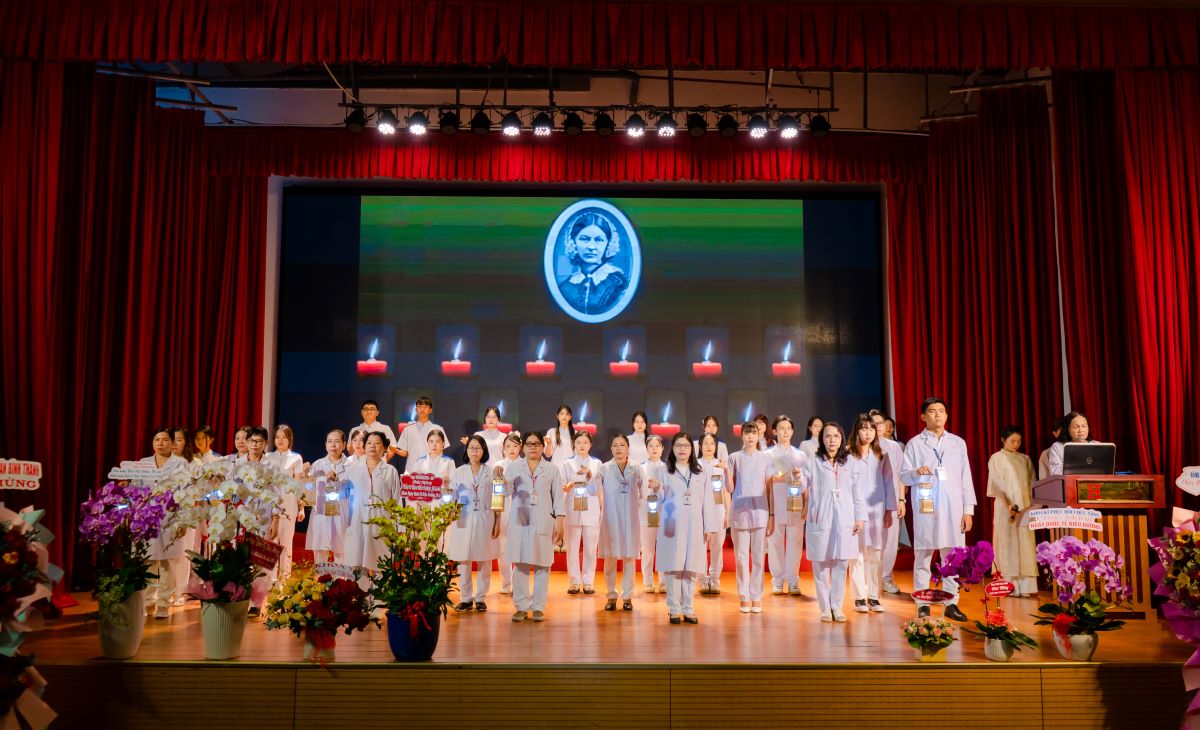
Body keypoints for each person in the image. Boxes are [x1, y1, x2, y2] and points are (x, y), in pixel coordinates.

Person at [900, 397, 975, 622]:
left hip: (953, 508)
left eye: (941, 411)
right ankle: (922, 601)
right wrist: (915, 473)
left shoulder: (957, 443)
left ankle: (952, 602)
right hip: (927, 507)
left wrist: (968, 509)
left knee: (952, 557)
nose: (937, 415)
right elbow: (903, 475)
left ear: (947, 415)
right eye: (932, 412)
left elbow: (965, 477)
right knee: (923, 555)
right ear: (923, 416)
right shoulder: (915, 443)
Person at [801, 421, 866, 623]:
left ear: (842, 438)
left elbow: (858, 492)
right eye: (828, 436)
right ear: (822, 439)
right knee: (821, 564)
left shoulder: (850, 462)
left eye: (836, 436)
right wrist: (795, 477)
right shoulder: (812, 460)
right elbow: (801, 484)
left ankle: (837, 606)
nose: (832, 440)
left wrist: (860, 517)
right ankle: (824, 607)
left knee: (841, 563)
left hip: (845, 518)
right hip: (820, 516)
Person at [646, 433, 709, 624]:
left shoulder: (700, 472)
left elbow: (707, 502)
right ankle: (674, 608)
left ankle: (689, 608)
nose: (682, 449)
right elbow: (654, 502)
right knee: (674, 567)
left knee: (691, 568)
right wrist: (656, 490)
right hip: (671, 524)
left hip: (695, 525)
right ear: (672, 449)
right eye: (678, 445)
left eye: (686, 446)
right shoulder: (663, 471)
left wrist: (710, 527)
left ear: (692, 449)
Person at [503, 432, 565, 622]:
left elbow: (558, 498)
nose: (533, 447)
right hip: (519, 522)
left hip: (543, 521)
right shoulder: (514, 468)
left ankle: (538, 606)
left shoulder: (552, 469)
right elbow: (505, 492)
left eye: (537, 444)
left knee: (542, 565)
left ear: (542, 447)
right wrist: (501, 479)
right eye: (529, 443)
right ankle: (521, 606)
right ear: (523, 446)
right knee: (520, 564)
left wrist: (560, 522)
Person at [847, 414, 897, 613]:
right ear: (856, 431)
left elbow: (889, 484)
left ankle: (874, 596)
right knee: (857, 555)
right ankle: (859, 597)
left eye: (871, 429)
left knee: (875, 554)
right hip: (854, 512)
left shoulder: (882, 455)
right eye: (863, 428)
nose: (867, 433)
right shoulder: (847, 454)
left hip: (877, 511)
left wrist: (889, 510)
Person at [140, 427, 192, 618]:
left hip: (171, 517)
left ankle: (163, 603)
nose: (160, 443)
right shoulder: (143, 464)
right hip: (147, 518)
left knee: (168, 561)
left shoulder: (181, 464)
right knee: (148, 560)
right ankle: (147, 602)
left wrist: (183, 520)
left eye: (165, 440)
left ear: (172, 443)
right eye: (157, 440)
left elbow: (186, 492)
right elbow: (136, 491)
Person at [448, 435, 501, 612]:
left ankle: (480, 598)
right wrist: (445, 490)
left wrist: (497, 521)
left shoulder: (492, 471)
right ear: (467, 450)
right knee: (464, 560)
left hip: (485, 518)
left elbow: (498, 497)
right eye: (471, 447)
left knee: (484, 560)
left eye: (478, 448)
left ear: (484, 450)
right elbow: (451, 499)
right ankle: (465, 598)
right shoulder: (458, 472)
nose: (474, 451)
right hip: (463, 519)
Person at [727, 421, 773, 614]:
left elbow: (769, 487)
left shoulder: (765, 458)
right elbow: (729, 488)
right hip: (739, 511)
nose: (751, 436)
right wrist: (724, 471)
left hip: (761, 512)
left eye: (754, 433)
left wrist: (771, 514)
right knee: (740, 556)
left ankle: (756, 596)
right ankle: (744, 595)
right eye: (747, 433)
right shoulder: (734, 458)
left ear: (759, 435)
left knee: (758, 558)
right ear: (742, 436)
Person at [988, 426, 1038, 596]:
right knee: (1007, 543)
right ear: (1003, 440)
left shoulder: (1025, 459)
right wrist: (1008, 503)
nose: (1016, 444)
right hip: (1005, 507)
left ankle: (1026, 587)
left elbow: (1032, 483)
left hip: (1024, 506)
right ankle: (1008, 585)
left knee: (1025, 544)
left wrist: (1031, 506)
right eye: (1012, 441)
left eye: (1018, 441)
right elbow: (996, 484)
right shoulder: (996, 458)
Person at [597, 433, 643, 611]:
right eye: (615, 445)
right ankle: (611, 595)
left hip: (631, 519)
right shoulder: (604, 468)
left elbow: (645, 495)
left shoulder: (637, 468)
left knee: (629, 558)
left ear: (628, 448)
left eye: (622, 445)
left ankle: (627, 596)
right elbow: (593, 490)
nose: (618, 448)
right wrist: (589, 478)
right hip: (610, 518)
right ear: (611, 449)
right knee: (610, 558)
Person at [344, 432, 400, 572]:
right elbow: (343, 497)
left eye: (377, 443)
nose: (372, 446)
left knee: (380, 566)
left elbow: (397, 501)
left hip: (382, 524)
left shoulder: (390, 471)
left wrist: (399, 527)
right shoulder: (351, 470)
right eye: (369, 443)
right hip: (357, 521)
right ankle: (360, 593)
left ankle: (379, 594)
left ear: (385, 447)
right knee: (357, 567)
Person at [766, 415, 807, 596]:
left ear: (792, 431)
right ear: (774, 431)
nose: (785, 432)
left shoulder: (800, 455)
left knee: (795, 541)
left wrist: (799, 478)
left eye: (788, 428)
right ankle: (777, 580)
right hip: (775, 503)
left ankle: (792, 580)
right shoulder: (767, 454)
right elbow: (763, 480)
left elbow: (806, 481)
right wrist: (778, 478)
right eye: (781, 428)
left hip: (795, 501)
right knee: (775, 541)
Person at [557, 211, 628, 315]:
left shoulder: (619, 284)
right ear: (574, 242)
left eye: (599, 240)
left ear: (608, 244)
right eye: (584, 239)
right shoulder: (566, 287)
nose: (591, 247)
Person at [560, 430, 603, 594]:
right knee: (572, 547)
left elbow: (598, 487)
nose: (582, 445)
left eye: (585, 442)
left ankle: (588, 581)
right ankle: (574, 581)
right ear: (574, 445)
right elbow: (562, 485)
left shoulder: (597, 463)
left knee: (591, 547)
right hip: (572, 507)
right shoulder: (567, 463)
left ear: (590, 445)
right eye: (578, 442)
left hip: (591, 507)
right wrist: (568, 486)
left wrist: (590, 475)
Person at [870, 411, 908, 595]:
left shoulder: (894, 447)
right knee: (871, 541)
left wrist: (901, 499)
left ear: (886, 426)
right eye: (873, 423)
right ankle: (871, 579)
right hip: (870, 503)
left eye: (881, 423)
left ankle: (886, 577)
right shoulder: (862, 447)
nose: (878, 426)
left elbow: (901, 475)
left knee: (891, 541)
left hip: (892, 500)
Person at [305, 429, 352, 564]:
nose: (333, 445)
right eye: (330, 441)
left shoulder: (351, 465)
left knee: (341, 551)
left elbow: (354, 492)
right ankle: (321, 582)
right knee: (320, 550)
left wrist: (338, 481)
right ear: (325, 445)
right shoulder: (317, 465)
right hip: (321, 513)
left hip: (342, 513)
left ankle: (341, 583)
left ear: (343, 445)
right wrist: (306, 479)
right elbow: (309, 491)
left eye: (337, 442)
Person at [265, 424, 305, 580]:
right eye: (277, 437)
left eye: (284, 437)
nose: (280, 440)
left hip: (288, 504)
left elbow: (298, 486)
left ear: (290, 440)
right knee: (270, 543)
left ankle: (284, 580)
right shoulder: (267, 457)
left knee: (286, 543)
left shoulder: (296, 458)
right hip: (270, 505)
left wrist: (301, 508)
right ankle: (270, 579)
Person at [697, 433, 731, 595]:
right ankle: (703, 580)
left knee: (717, 546)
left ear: (716, 446)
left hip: (718, 510)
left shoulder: (721, 465)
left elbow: (726, 491)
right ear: (700, 446)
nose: (709, 446)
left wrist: (727, 513)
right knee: (701, 547)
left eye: (712, 443)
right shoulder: (695, 465)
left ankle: (715, 579)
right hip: (700, 512)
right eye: (705, 443)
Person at [492, 432, 524, 595]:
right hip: (503, 508)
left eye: (515, 446)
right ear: (503, 449)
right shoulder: (498, 465)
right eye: (508, 446)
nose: (512, 449)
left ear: (521, 447)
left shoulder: (525, 464)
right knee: (502, 547)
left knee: (519, 547)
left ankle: (518, 582)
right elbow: (496, 491)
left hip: (521, 508)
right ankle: (506, 582)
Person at [638, 435, 666, 593]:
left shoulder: (668, 468)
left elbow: (671, 491)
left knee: (662, 547)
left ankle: (663, 581)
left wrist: (659, 486)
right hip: (645, 511)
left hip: (663, 512)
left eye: (657, 446)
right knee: (647, 548)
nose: (654, 449)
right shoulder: (640, 468)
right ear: (646, 449)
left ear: (662, 449)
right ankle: (648, 581)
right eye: (651, 446)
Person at [407, 429, 456, 511]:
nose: (434, 445)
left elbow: (454, 487)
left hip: (442, 506)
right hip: (423, 506)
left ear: (443, 444)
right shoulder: (420, 462)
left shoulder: (449, 462)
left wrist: (447, 486)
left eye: (438, 442)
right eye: (431, 441)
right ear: (427, 444)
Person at [396, 396, 445, 464]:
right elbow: (405, 453)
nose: (422, 409)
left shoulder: (437, 429)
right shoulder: (408, 429)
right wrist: (396, 450)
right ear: (416, 409)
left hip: (431, 469)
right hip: (412, 469)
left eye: (425, 407)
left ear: (430, 410)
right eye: (419, 406)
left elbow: (441, 451)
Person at [1047, 411, 1097, 476]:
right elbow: (1054, 473)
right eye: (1076, 427)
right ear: (1068, 429)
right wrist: (1077, 462)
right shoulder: (1058, 447)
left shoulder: (1097, 445)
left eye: (1084, 426)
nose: (1080, 430)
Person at [544, 404, 575, 469]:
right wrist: (549, 443)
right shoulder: (551, 432)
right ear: (557, 416)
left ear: (570, 417)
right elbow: (548, 455)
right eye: (562, 414)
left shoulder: (576, 433)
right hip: (556, 467)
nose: (564, 416)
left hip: (571, 468)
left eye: (567, 414)